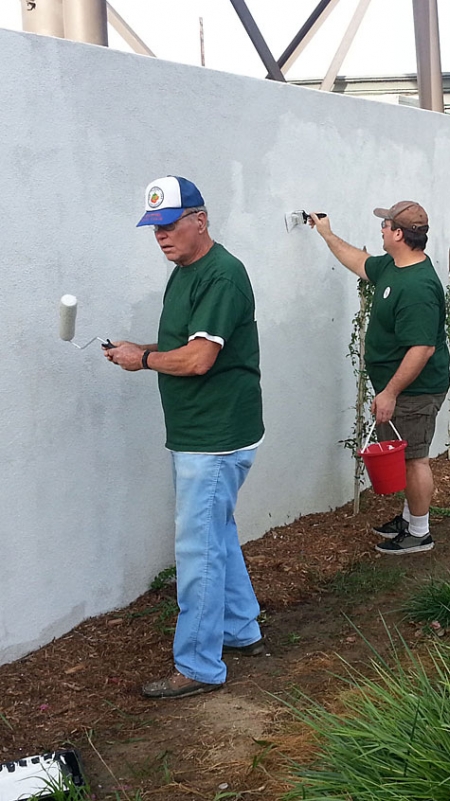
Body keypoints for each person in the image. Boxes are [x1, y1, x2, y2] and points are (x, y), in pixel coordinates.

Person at [105, 176, 265, 699]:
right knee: (216, 533)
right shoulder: (186, 271)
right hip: (199, 434)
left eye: (170, 225)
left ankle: (198, 666)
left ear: (201, 218)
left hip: (214, 437)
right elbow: (187, 341)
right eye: (155, 228)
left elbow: (198, 360)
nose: (162, 237)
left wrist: (143, 359)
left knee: (198, 549)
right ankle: (240, 628)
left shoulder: (221, 275)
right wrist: (141, 347)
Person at [309, 201, 450, 556]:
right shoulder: (393, 266)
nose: (381, 229)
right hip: (402, 388)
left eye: (386, 224)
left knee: (416, 457)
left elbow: (421, 350)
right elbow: (360, 261)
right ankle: (410, 518)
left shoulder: (418, 287)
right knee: (408, 456)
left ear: (399, 234)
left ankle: (419, 533)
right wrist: (327, 234)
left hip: (416, 389)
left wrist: (389, 392)